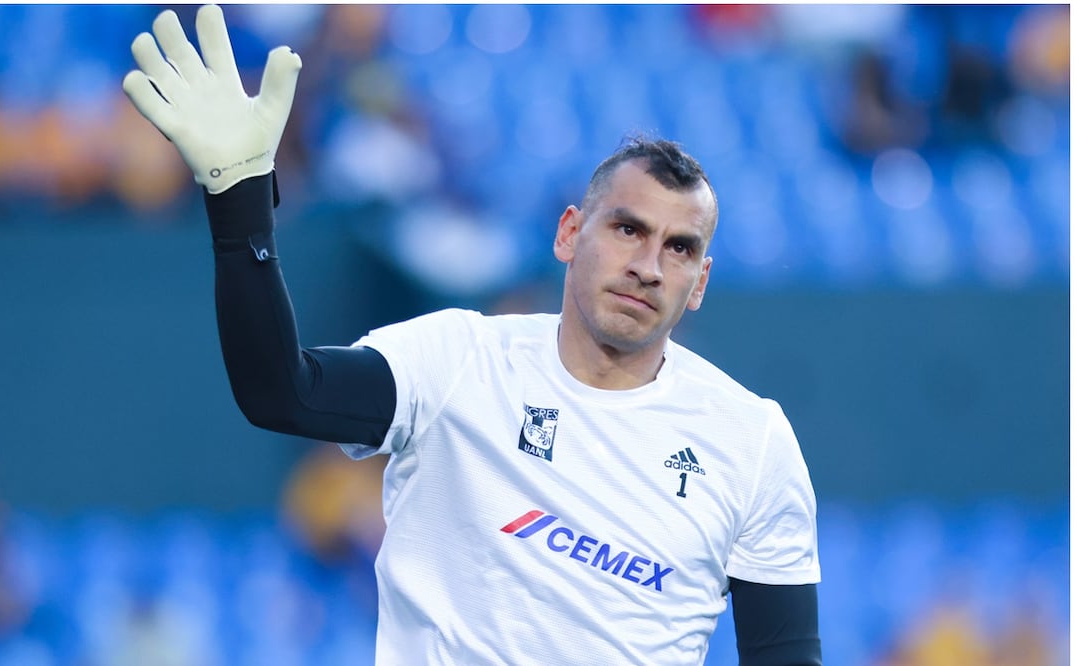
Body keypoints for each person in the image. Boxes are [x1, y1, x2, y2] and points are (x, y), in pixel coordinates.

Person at [123, 5, 821, 664]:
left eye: (679, 248)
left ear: (700, 282)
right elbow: (281, 392)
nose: (647, 266)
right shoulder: (457, 361)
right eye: (628, 229)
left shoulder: (752, 444)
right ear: (570, 234)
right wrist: (239, 194)